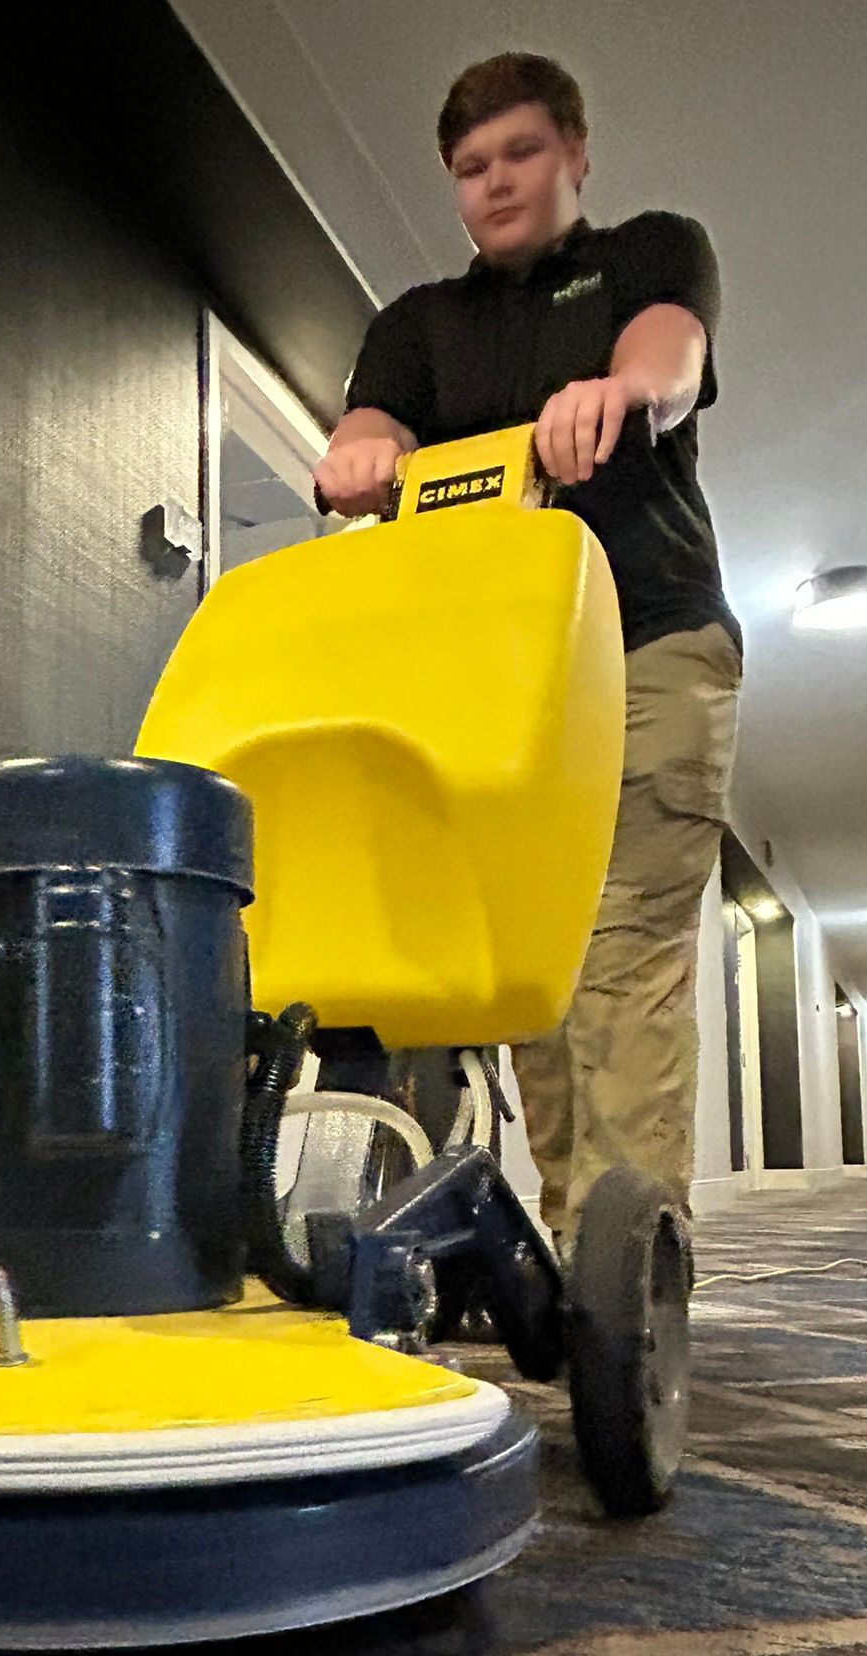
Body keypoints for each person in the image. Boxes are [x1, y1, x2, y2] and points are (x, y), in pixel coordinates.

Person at [314, 52, 742, 1251]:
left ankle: (634, 1260)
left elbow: (670, 358)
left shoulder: (648, 255)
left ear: (575, 153)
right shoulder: (420, 324)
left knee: (619, 956)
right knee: (534, 977)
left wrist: (618, 394)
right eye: (470, 167)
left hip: (650, 640)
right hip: (502, 685)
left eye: (522, 153)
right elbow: (370, 424)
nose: (496, 182)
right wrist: (357, 457)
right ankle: (579, 1258)